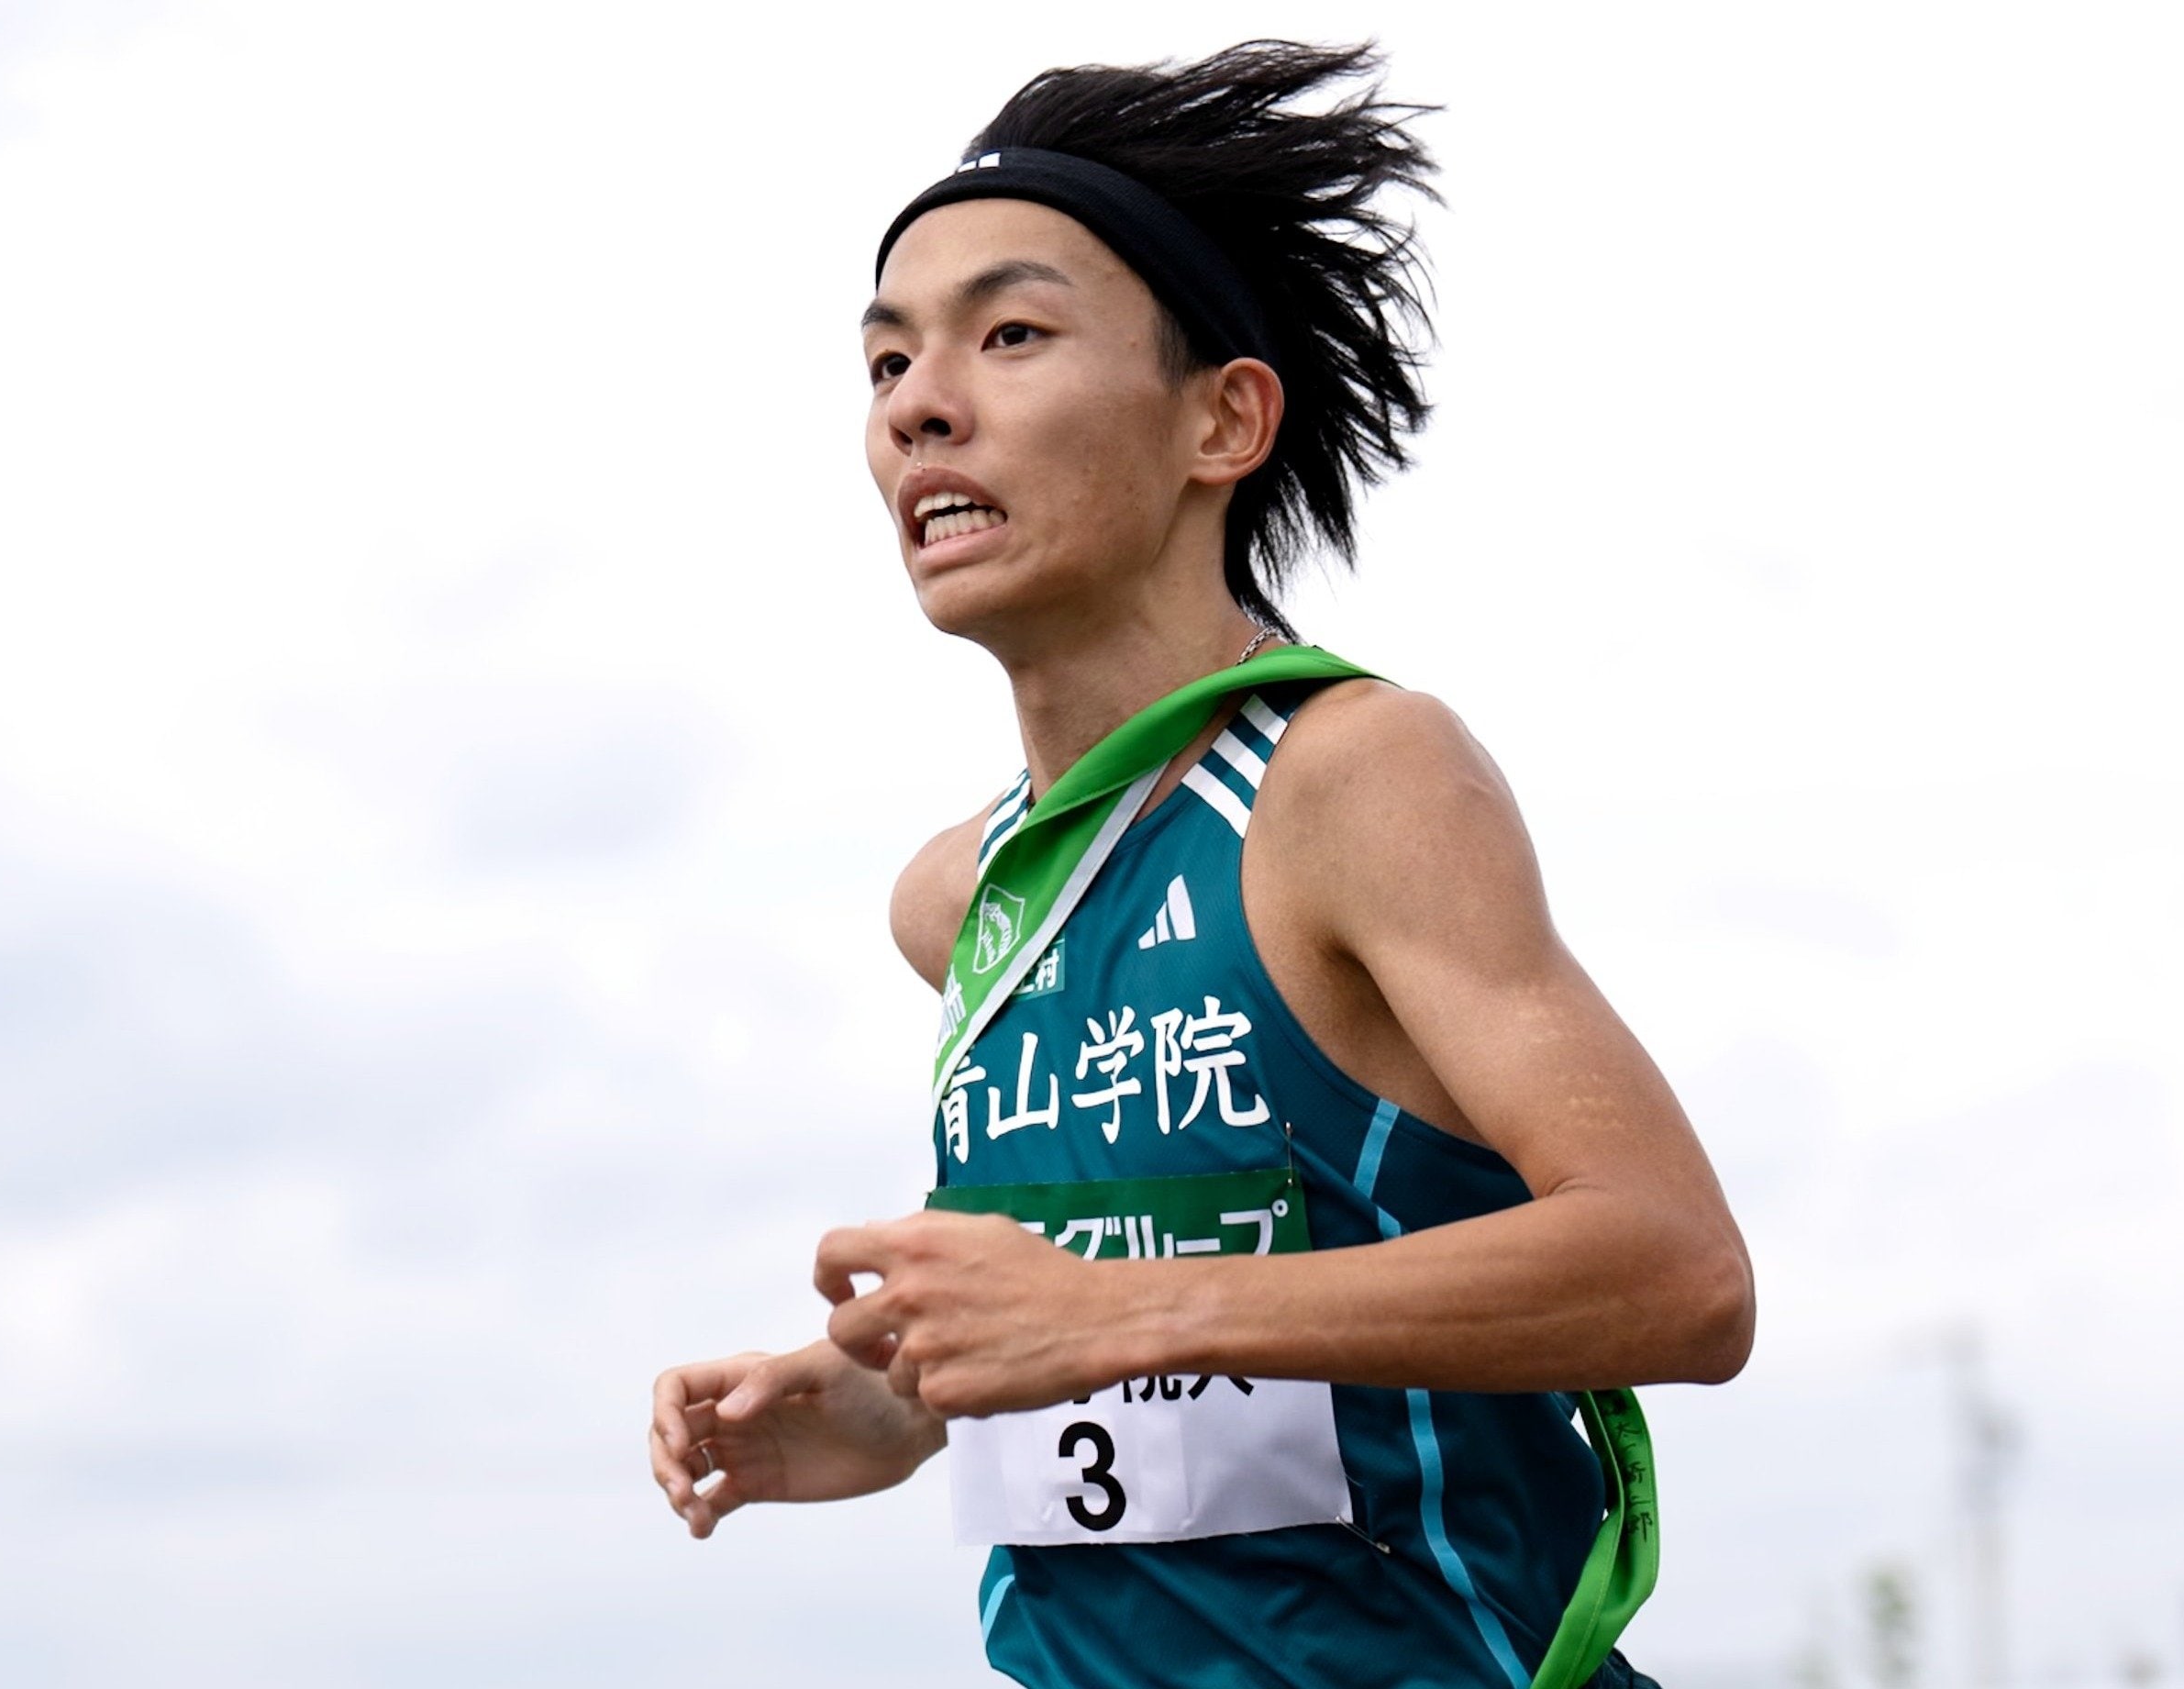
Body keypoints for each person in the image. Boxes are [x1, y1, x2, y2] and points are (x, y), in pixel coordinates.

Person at [649, 41, 1753, 1689]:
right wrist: (886, 1400)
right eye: (887, 362)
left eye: (1009, 335)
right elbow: (1141, 1303)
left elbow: (1678, 1270)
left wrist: (1112, 1320)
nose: (919, 402)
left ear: (1222, 419)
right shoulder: (958, 900)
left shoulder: (1352, 777)